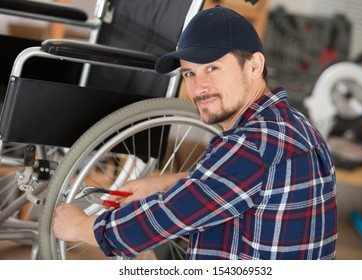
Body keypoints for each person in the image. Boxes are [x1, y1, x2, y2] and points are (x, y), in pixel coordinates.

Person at [53, 5, 337, 260]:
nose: (198, 87)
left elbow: (164, 218)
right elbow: (239, 182)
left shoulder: (251, 145)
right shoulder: (295, 126)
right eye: (189, 73)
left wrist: (80, 226)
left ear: (254, 66)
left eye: (212, 68)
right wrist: (162, 185)